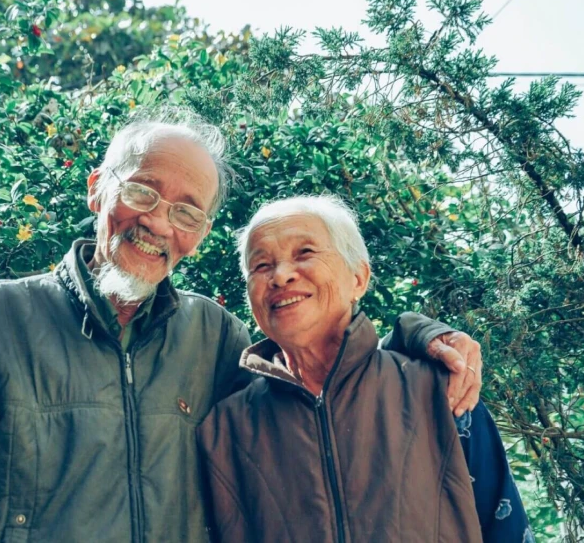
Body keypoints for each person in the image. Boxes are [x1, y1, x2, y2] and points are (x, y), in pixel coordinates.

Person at [0, 109, 483, 542]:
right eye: (142, 192)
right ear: (98, 191)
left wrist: (420, 338)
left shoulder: (214, 336)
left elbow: (322, 382)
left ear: (200, 233)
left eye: (187, 211)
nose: (158, 223)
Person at [196, 195, 531, 543]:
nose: (280, 276)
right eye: (261, 265)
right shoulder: (224, 428)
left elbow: (506, 526)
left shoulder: (440, 390)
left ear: (358, 278)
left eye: (305, 253)